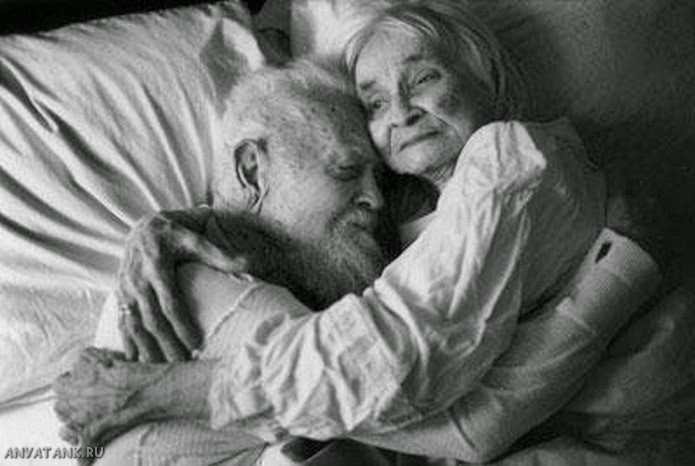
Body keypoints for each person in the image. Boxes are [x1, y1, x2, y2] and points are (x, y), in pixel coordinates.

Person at [54, 58, 664, 465]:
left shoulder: (238, 259)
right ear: (251, 170)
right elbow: (466, 425)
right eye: (347, 171)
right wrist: (621, 272)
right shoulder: (207, 292)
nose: (375, 201)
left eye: (380, 180)